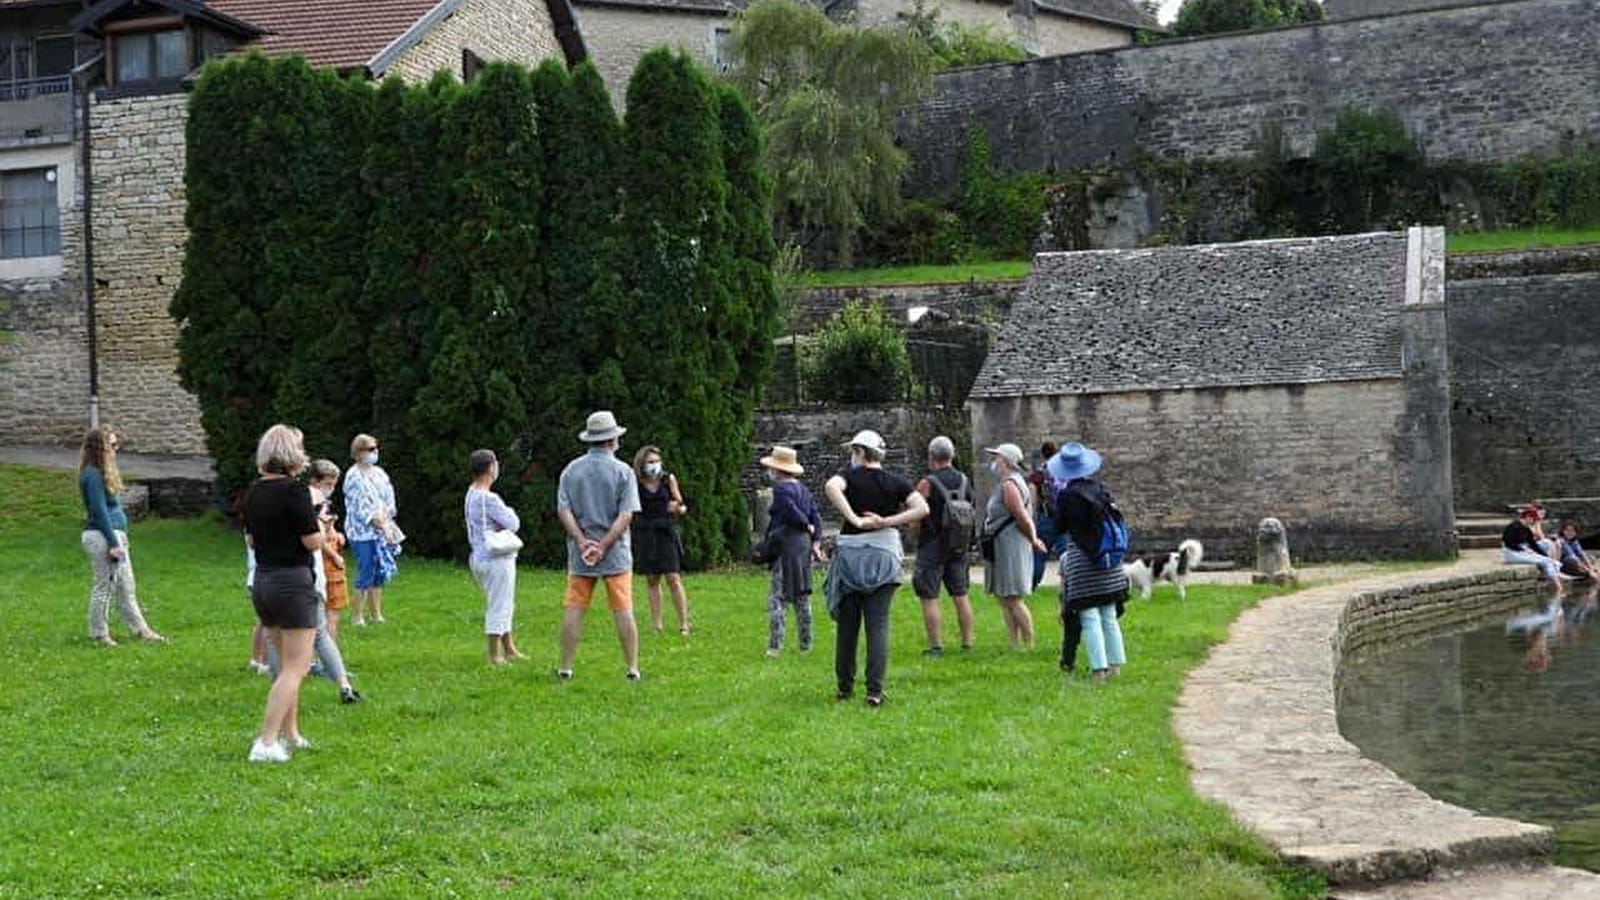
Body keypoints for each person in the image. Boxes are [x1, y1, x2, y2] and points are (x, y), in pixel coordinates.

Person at [823, 430, 928, 707]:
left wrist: (855, 520)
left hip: (851, 555)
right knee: (877, 626)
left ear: (859, 451)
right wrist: (888, 521)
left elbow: (831, 487)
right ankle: (875, 691)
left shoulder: (848, 476)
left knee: (848, 627)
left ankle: (845, 688)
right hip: (885, 554)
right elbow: (921, 508)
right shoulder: (896, 482)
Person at [243, 424, 324, 762]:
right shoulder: (295, 492)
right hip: (293, 581)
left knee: (284, 663)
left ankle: (290, 733)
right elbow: (312, 541)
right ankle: (265, 741)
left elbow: (250, 538)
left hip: (264, 580)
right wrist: (322, 528)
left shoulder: (253, 492)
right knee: (297, 666)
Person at [556, 411, 643, 681]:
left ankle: (566, 667)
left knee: (574, 609)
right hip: (614, 552)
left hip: (581, 554)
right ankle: (631, 668)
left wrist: (582, 541)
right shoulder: (623, 472)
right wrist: (604, 545)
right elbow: (626, 515)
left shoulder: (571, 470)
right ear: (612, 440)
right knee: (623, 609)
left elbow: (564, 510)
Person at [77, 425, 165, 646]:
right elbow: (98, 511)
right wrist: (113, 542)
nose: (116, 450)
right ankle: (99, 633)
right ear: (101, 448)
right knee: (104, 586)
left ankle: (141, 629)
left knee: (126, 585)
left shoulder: (99, 473)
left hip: (112, 534)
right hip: (102, 537)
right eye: (112, 445)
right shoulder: (93, 475)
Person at [1050, 442, 1130, 680]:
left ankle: (1098, 669)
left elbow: (1059, 527)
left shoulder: (1067, 496)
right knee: (1108, 614)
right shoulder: (1100, 489)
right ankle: (1116, 665)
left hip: (1083, 560)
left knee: (1089, 615)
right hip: (1109, 561)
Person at [912, 436, 976, 655]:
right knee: (960, 594)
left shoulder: (927, 483)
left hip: (932, 545)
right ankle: (967, 643)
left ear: (932, 457)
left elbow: (916, 517)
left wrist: (918, 536)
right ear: (952, 455)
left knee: (929, 596)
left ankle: (936, 646)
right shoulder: (965, 480)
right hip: (958, 544)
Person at [982, 443, 1046, 651]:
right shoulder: (1010, 482)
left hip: (1010, 544)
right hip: (1004, 543)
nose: (994, 462)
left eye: (997, 458)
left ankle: (1028, 643)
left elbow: (1021, 516)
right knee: (1004, 596)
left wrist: (1033, 539)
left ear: (1006, 461)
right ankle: (1014, 643)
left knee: (1013, 597)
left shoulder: (1010, 484)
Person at [761, 446, 824, 657]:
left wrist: (804, 523)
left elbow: (790, 510)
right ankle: (806, 644)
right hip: (803, 545)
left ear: (777, 470)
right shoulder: (803, 490)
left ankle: (775, 646)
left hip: (787, 544)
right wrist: (815, 540)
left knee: (778, 596)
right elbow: (817, 515)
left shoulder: (780, 490)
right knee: (802, 594)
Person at [465, 448, 525, 666]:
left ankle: (509, 647)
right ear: (490, 468)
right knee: (499, 604)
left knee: (505, 602)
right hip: (496, 559)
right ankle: (494, 654)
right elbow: (513, 523)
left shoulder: (471, 493)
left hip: (479, 557)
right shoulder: (489, 498)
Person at [631, 446, 692, 635]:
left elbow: (681, 504)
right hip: (645, 532)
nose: (654, 465)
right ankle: (657, 624)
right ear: (642, 464)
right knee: (652, 579)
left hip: (665, 531)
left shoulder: (668, 479)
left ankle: (684, 623)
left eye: (656, 461)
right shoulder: (635, 482)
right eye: (650, 462)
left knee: (673, 577)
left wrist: (677, 509)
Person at [343, 433, 398, 625]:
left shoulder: (379, 473)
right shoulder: (353, 476)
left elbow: (389, 498)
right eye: (370, 449)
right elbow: (361, 509)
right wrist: (380, 524)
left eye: (376, 448)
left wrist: (387, 521)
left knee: (379, 571)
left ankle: (376, 614)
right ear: (358, 452)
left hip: (383, 528)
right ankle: (357, 616)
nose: (375, 452)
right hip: (361, 532)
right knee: (366, 570)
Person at [308, 461, 350, 641]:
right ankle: (328, 659)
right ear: (315, 482)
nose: (331, 489)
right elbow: (317, 536)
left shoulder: (322, 502)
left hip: (328, 558)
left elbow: (326, 530)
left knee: (329, 614)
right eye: (328, 484)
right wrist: (335, 556)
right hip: (326, 562)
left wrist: (336, 533)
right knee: (331, 612)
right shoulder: (313, 502)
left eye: (334, 485)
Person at [1502, 505, 1568, 591]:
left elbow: (1534, 545)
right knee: (1546, 561)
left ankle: (1557, 584)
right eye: (1533, 519)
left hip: (1521, 552)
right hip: (1511, 554)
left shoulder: (1527, 529)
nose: (1534, 522)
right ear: (1528, 517)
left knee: (1547, 560)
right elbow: (1508, 543)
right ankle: (1558, 587)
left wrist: (1545, 555)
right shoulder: (1513, 527)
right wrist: (1523, 549)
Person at [1029, 441, 1060, 591]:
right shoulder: (1064, 471)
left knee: (1039, 553)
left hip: (1046, 517)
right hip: (1063, 519)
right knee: (1067, 554)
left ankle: (1032, 584)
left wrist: (1032, 518)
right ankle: (1069, 585)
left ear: (1043, 454)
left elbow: (1033, 497)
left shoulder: (1039, 473)